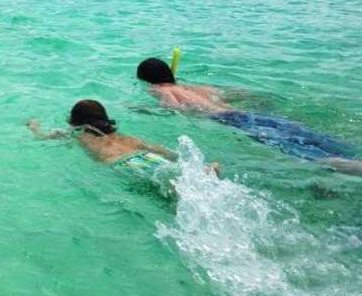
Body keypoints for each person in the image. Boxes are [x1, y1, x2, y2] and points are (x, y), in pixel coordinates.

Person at [136, 57, 362, 175]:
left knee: (299, 152)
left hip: (230, 121)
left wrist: (143, 109)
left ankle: (350, 167)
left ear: (147, 79)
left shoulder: (161, 90)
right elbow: (230, 93)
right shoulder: (194, 87)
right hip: (247, 114)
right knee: (313, 138)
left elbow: (175, 110)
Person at [27, 99, 180, 178]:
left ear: (75, 120)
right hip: (147, 156)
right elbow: (158, 149)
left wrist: (34, 126)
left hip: (122, 164)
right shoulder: (119, 135)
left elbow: (42, 137)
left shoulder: (77, 135)